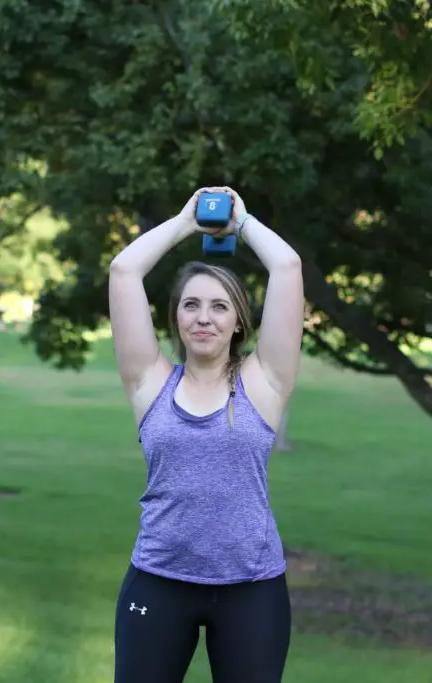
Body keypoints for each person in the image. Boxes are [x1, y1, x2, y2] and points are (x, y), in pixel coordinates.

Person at [108, 186, 304, 683]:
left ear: (239, 321)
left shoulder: (264, 383)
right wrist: (183, 222)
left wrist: (241, 222)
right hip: (158, 581)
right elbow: (123, 271)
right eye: (191, 305)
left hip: (251, 588)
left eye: (219, 307)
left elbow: (287, 267)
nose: (203, 317)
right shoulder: (149, 382)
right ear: (175, 316)